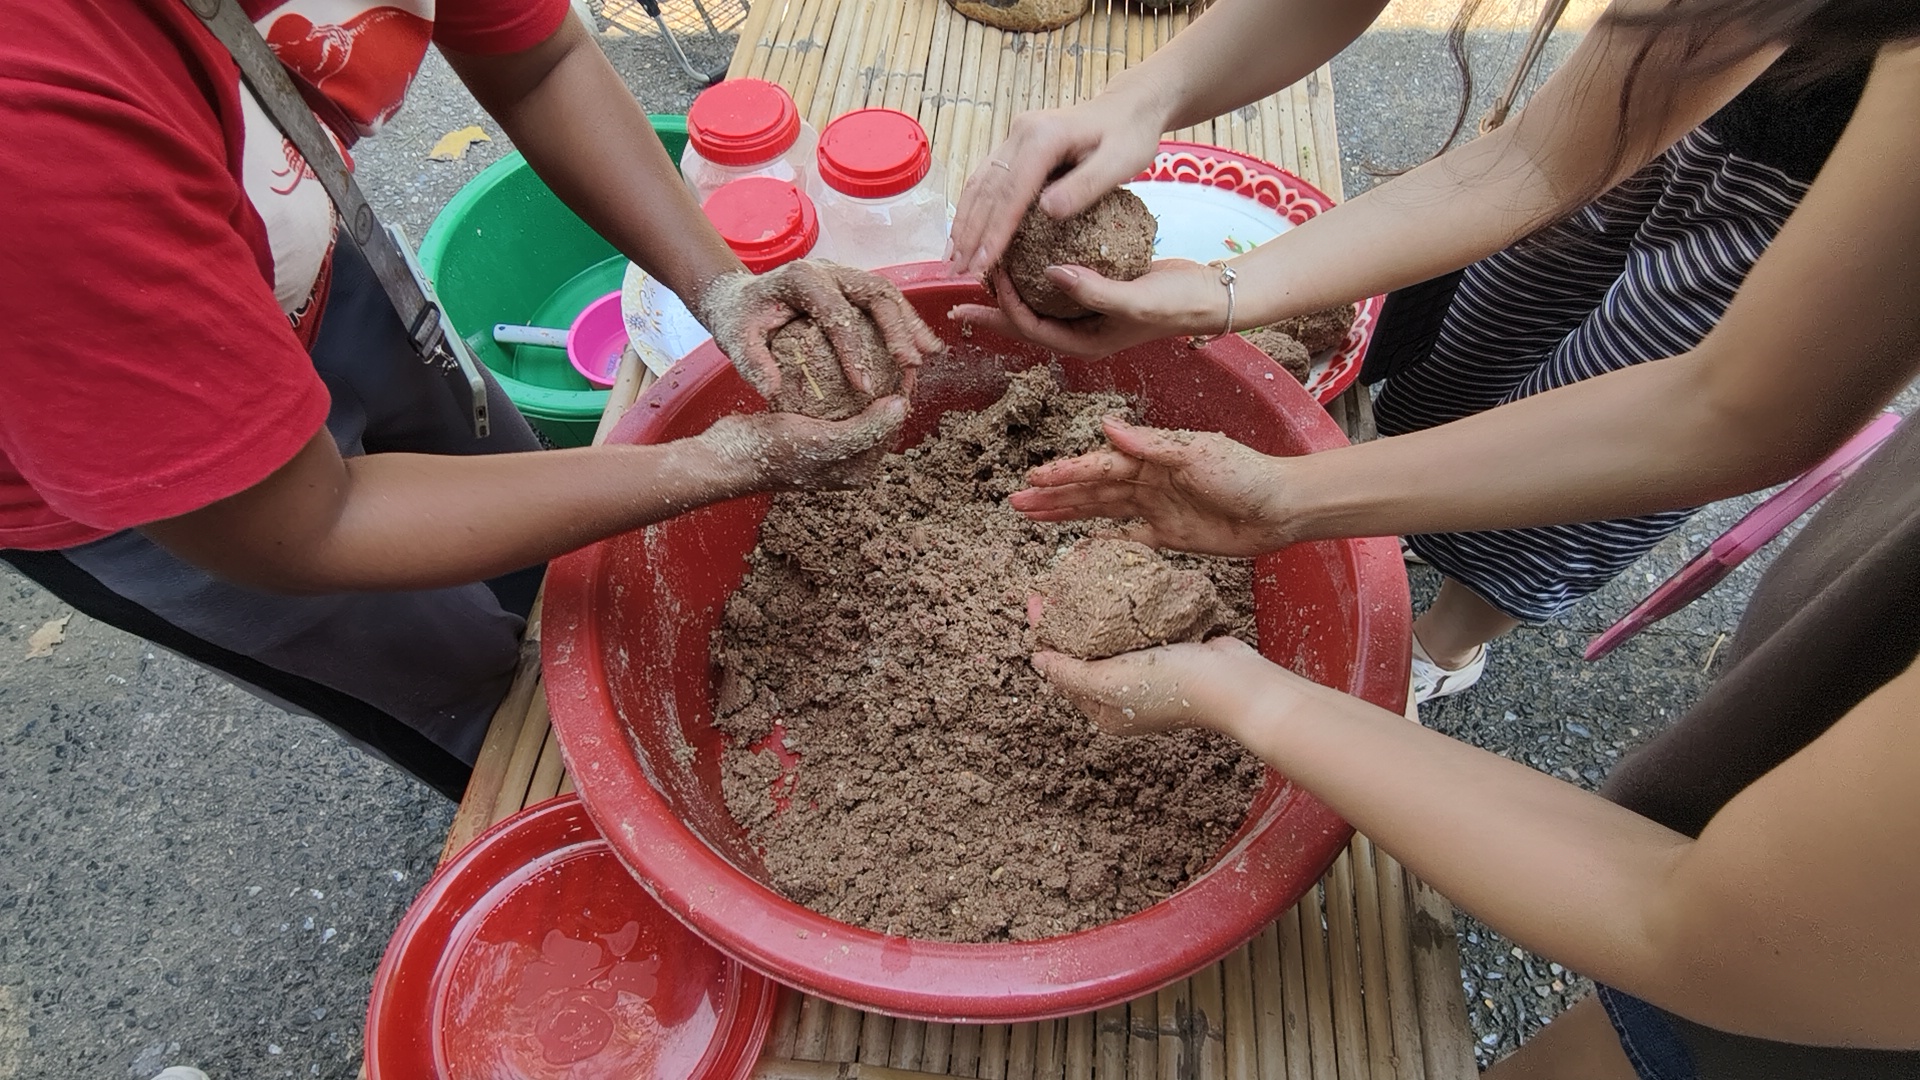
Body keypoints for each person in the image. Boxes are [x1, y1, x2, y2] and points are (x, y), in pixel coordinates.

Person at [959, 0, 1920, 1073]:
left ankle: (1447, 641)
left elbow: (1701, 930)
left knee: (1693, 1014)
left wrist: (1242, 685)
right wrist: (1203, 274)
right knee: (1456, 393)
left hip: (1816, 982)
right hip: (1677, 217)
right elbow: (1540, 160)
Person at [0, 0, 940, 801]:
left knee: (549, 548)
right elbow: (303, 525)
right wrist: (721, 460)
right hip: (158, 478)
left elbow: (539, 62)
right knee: (473, 697)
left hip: (303, 260)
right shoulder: (39, 126)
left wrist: (723, 286)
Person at [943, 0, 1886, 703]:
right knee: (1472, 370)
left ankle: (1447, 644)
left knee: (1555, 500)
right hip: (1647, 141)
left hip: (1808, 241)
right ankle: (1409, 521)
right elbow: (1538, 163)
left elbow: (1724, 412)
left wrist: (1292, 499)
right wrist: (1154, 118)